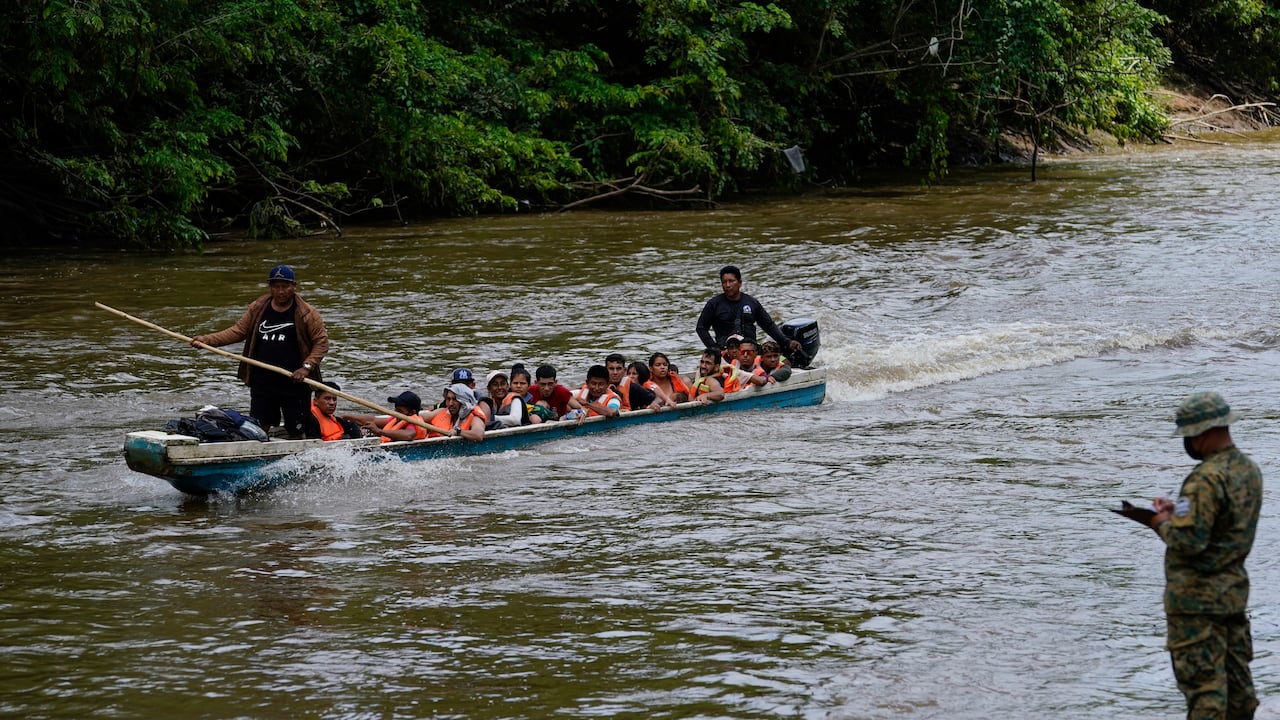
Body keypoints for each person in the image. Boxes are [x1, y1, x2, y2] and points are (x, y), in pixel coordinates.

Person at [1146, 392, 1261, 719]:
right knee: (1239, 692)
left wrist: (1160, 523)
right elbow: (1224, 523)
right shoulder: (1248, 470)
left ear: (1204, 432)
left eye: (1188, 435)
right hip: (1232, 597)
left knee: (1205, 691)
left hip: (1196, 605)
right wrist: (1178, 514)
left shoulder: (1205, 478)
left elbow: (1189, 542)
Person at [191, 264, 329, 439]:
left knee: (296, 427)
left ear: (294, 286)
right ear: (270, 287)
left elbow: (321, 343)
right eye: (276, 287)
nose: (281, 291)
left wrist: (306, 367)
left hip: (295, 381)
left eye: (285, 286)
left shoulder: (306, 313)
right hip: (262, 380)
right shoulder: (258, 308)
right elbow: (238, 331)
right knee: (259, 425)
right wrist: (207, 340)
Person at [695, 265, 803, 357]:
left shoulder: (752, 303)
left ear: (740, 283)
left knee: (784, 362)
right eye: (724, 282)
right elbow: (701, 328)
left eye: (731, 281)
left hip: (751, 352)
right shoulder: (714, 304)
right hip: (727, 353)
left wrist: (786, 342)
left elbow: (768, 325)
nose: (727, 285)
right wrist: (715, 349)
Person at [346, 391, 428, 443]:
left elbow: (409, 435)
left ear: (412, 412)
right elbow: (373, 420)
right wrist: (348, 417)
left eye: (400, 411)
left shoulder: (413, 423)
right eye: (396, 410)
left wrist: (379, 431)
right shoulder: (397, 419)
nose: (396, 413)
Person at [422, 384, 486, 441]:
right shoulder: (441, 411)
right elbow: (422, 417)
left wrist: (458, 432)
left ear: (464, 402)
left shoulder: (475, 418)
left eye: (455, 399)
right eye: (448, 399)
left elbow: (478, 435)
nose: (450, 403)